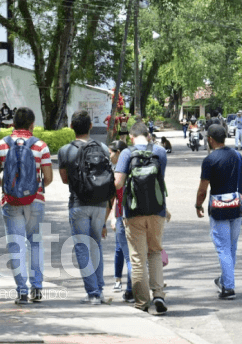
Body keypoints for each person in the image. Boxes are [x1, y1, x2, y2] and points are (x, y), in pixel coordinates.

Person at [0, 107, 53, 304]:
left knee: (17, 245)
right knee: (35, 242)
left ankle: (22, 292)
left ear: (12, 124)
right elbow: (48, 178)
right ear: (32, 124)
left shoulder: (0, 145)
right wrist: (33, 188)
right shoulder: (40, 146)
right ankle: (37, 289)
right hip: (36, 200)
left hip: (10, 201)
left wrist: (10, 187)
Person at [58, 110, 113, 305]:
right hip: (100, 205)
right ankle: (100, 290)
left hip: (78, 203)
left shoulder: (66, 150)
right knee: (96, 244)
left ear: (71, 127)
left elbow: (64, 179)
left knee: (82, 247)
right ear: (90, 126)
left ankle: (93, 293)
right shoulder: (104, 148)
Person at [114, 122, 169, 315]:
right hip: (157, 210)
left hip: (134, 212)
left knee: (137, 256)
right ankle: (159, 295)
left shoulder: (126, 154)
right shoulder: (160, 152)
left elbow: (118, 183)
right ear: (148, 135)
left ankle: (142, 302)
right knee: (155, 251)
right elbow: (160, 180)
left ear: (131, 137)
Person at [195, 124, 242, 300]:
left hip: (219, 209)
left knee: (223, 248)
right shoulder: (237, 155)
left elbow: (203, 189)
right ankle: (226, 281)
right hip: (236, 207)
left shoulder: (210, 160)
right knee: (231, 248)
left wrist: (198, 205)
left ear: (210, 139)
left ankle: (228, 288)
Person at [105, 140, 134, 303]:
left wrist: (111, 218)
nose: (109, 156)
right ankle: (120, 281)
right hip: (134, 214)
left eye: (111, 153)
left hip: (123, 216)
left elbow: (113, 197)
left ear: (118, 153)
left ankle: (131, 289)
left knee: (129, 256)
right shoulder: (135, 167)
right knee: (124, 251)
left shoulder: (119, 173)